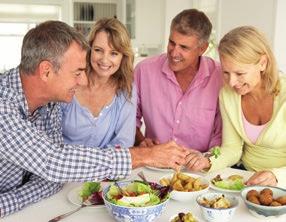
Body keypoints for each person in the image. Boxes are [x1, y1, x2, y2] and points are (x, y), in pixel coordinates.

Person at [0, 20, 189, 217]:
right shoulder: (3, 105)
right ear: (46, 71)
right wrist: (145, 155)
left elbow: (52, 176)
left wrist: (6, 203)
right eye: (77, 72)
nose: (83, 80)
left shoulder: (50, 102)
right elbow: (54, 161)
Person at [185, 26, 286, 188]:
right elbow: (232, 148)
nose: (231, 82)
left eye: (239, 74)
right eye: (226, 73)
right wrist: (207, 161)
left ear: (262, 63)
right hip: (244, 177)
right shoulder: (228, 95)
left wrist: (276, 176)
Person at [134, 9, 222, 152]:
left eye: (184, 47)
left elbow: (221, 134)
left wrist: (207, 160)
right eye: (172, 42)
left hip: (201, 169)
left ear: (202, 48)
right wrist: (142, 141)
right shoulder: (144, 71)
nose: (174, 53)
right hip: (153, 166)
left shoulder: (219, 77)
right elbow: (128, 119)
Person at [62, 18, 136, 148]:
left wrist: (95, 165)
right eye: (98, 50)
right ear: (90, 50)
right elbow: (50, 137)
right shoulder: (71, 81)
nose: (104, 60)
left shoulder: (127, 89)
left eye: (114, 53)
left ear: (123, 56)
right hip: (64, 166)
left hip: (106, 168)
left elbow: (124, 143)